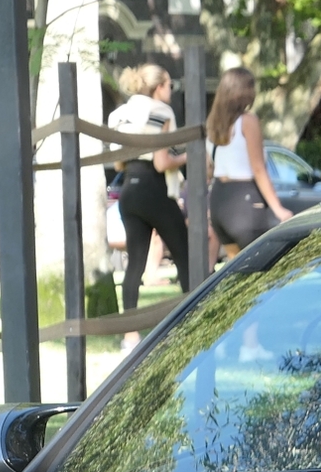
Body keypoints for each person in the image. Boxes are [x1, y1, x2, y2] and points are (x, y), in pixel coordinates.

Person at [108, 63, 189, 311]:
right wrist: (189, 156)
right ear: (159, 86)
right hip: (153, 188)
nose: (171, 91)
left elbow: (118, 163)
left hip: (128, 190)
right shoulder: (161, 111)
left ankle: (129, 334)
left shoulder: (120, 114)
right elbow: (162, 161)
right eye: (170, 85)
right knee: (186, 256)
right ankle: (194, 321)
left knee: (135, 265)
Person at [208, 66, 294, 254]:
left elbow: (209, 167)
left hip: (219, 199)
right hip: (244, 200)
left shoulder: (214, 124)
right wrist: (278, 208)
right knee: (261, 267)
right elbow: (258, 168)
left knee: (237, 269)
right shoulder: (247, 121)